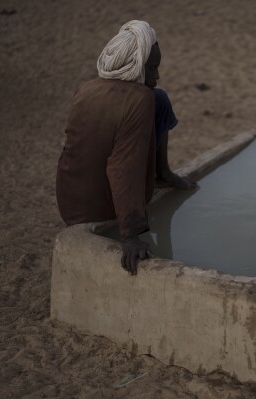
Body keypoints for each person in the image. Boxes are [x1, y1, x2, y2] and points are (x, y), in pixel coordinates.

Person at [56, 20, 195, 276]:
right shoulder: (138, 100)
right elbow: (123, 167)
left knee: (160, 99)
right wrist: (131, 234)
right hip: (100, 208)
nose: (156, 75)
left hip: (70, 202)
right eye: (152, 68)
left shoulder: (86, 89)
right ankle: (149, 191)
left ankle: (162, 172)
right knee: (154, 99)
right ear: (135, 66)